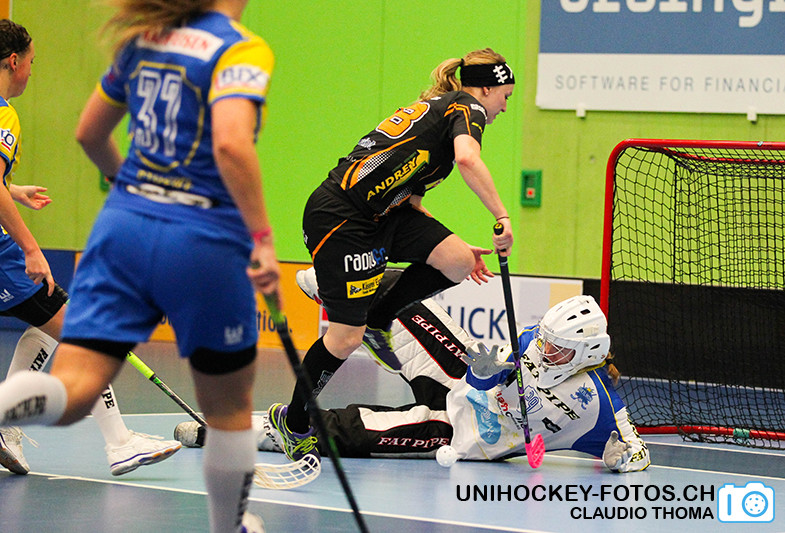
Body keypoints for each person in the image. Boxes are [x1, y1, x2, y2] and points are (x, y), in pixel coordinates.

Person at [0, 3, 279, 533]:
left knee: (73, 391)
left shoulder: (143, 40)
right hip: (204, 236)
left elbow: (89, 133)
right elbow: (230, 143)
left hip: (122, 227)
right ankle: (232, 526)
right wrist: (262, 239)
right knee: (228, 408)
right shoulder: (240, 48)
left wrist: (132, 188)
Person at [269, 48, 516, 463]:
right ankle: (292, 422)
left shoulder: (440, 115)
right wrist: (501, 216)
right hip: (341, 217)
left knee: (457, 260)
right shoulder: (466, 106)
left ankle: (379, 317)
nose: (505, 107)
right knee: (345, 338)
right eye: (505, 96)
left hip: (384, 215)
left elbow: (414, 201)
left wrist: (442, 244)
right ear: (487, 89)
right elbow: (467, 158)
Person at [178, 269, 650, 473]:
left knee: (357, 430)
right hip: (465, 384)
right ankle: (348, 300)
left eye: (557, 348)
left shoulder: (601, 407)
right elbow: (490, 373)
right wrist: (487, 372)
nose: (543, 349)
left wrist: (619, 457)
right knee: (415, 307)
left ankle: (235, 433)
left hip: (462, 433)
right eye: (543, 338)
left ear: (587, 352)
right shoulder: (533, 340)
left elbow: (636, 452)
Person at [0, 19, 181, 477]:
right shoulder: (4, 115)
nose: (32, 72)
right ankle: (120, 444)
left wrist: (12, 189)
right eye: (32, 63)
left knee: (49, 328)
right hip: (3, 256)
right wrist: (30, 247)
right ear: (13, 62)